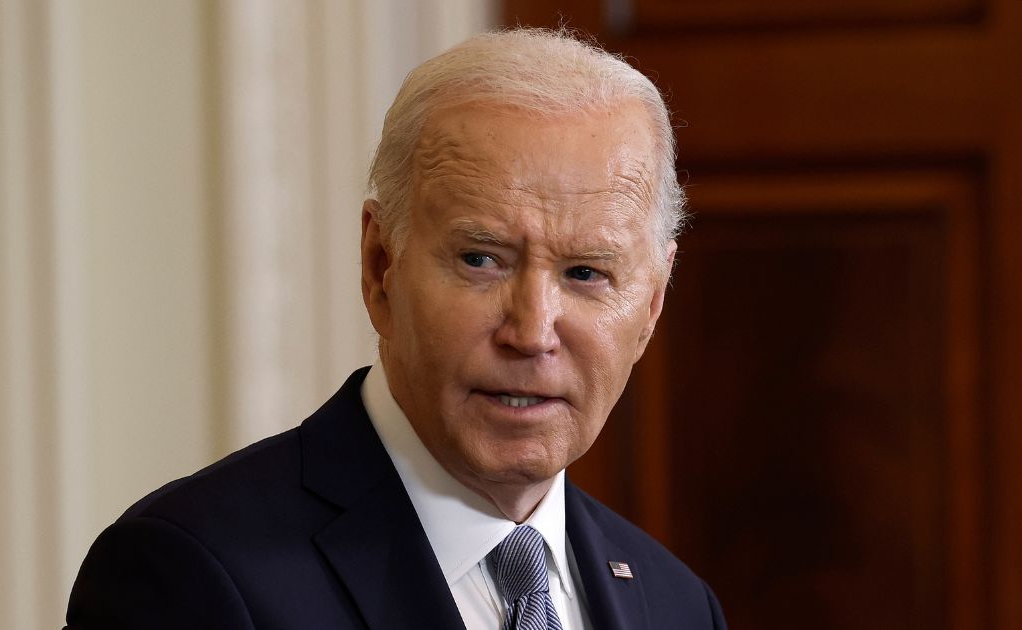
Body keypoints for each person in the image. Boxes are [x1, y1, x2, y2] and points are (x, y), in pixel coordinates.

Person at [65, 28, 726, 630]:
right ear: (381, 265)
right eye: (481, 260)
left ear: (651, 306)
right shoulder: (190, 575)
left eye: (585, 273)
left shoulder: (678, 606)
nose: (531, 332)